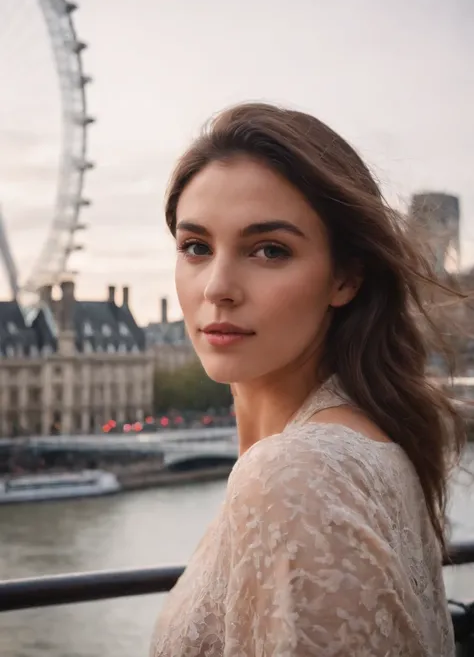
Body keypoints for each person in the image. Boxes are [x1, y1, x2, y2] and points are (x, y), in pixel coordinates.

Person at [150, 102, 464, 656]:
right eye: (196, 247)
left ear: (344, 278)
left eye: (270, 250)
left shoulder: (294, 475)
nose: (217, 287)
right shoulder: (364, 441)